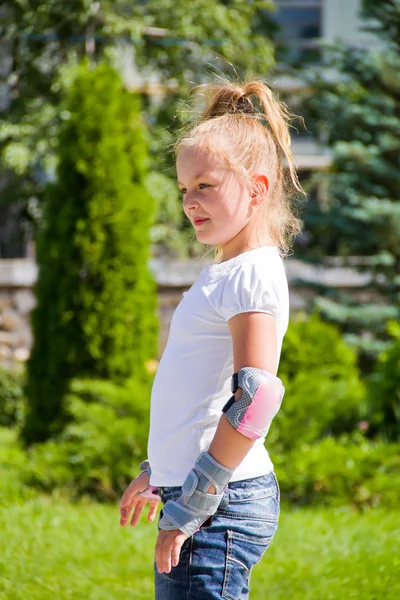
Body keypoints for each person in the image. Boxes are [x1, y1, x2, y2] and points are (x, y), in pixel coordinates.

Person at [119, 77, 305, 599]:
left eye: (205, 185)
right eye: (184, 189)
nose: (190, 202)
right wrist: (158, 470)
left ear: (256, 189)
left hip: (220, 506)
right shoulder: (225, 272)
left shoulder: (252, 274)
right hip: (198, 496)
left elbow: (256, 397)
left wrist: (193, 505)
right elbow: (201, 391)